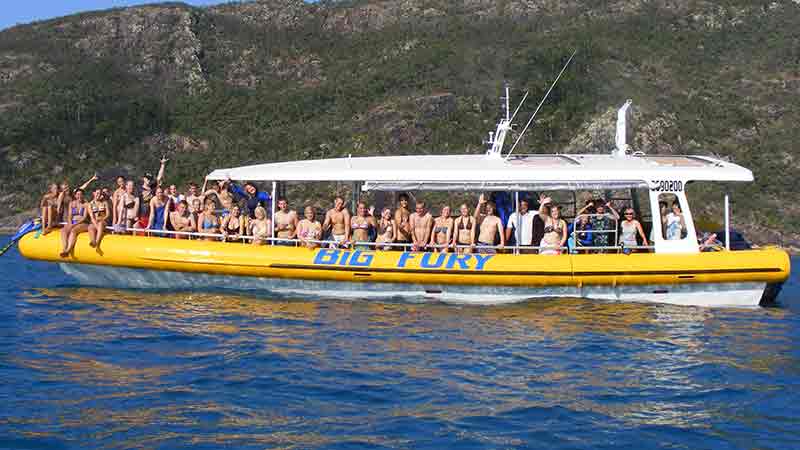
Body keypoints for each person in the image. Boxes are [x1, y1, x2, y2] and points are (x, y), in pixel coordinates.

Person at [59, 189, 89, 257]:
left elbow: (84, 217)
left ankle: (68, 250)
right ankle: (64, 248)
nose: (79, 196)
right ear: (75, 195)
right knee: (63, 230)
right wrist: (70, 223)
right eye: (78, 194)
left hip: (83, 223)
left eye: (81, 194)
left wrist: (74, 224)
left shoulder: (86, 204)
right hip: (72, 222)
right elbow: (69, 215)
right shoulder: (72, 203)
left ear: (83, 195)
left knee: (73, 230)